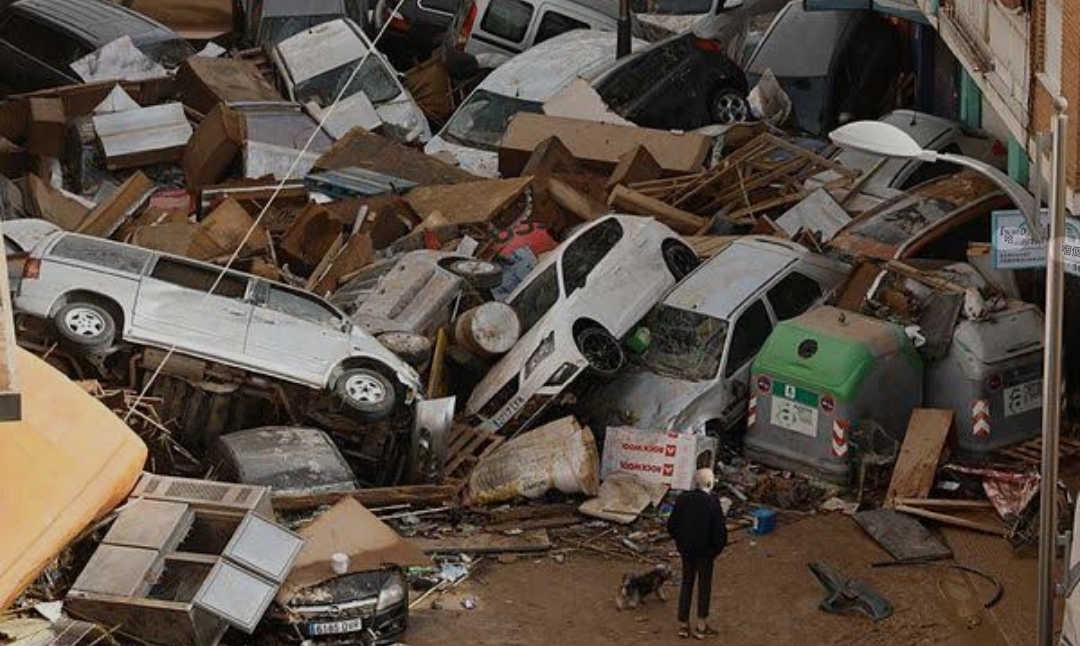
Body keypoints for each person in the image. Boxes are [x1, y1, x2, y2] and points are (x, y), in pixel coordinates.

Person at [666, 467, 728, 639]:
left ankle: (683, 626)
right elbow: (720, 533)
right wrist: (714, 551)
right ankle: (701, 626)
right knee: (704, 586)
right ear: (709, 483)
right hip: (705, 553)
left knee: (686, 584)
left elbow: (671, 526)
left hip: (686, 551)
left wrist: (681, 543)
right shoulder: (712, 502)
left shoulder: (682, 499)